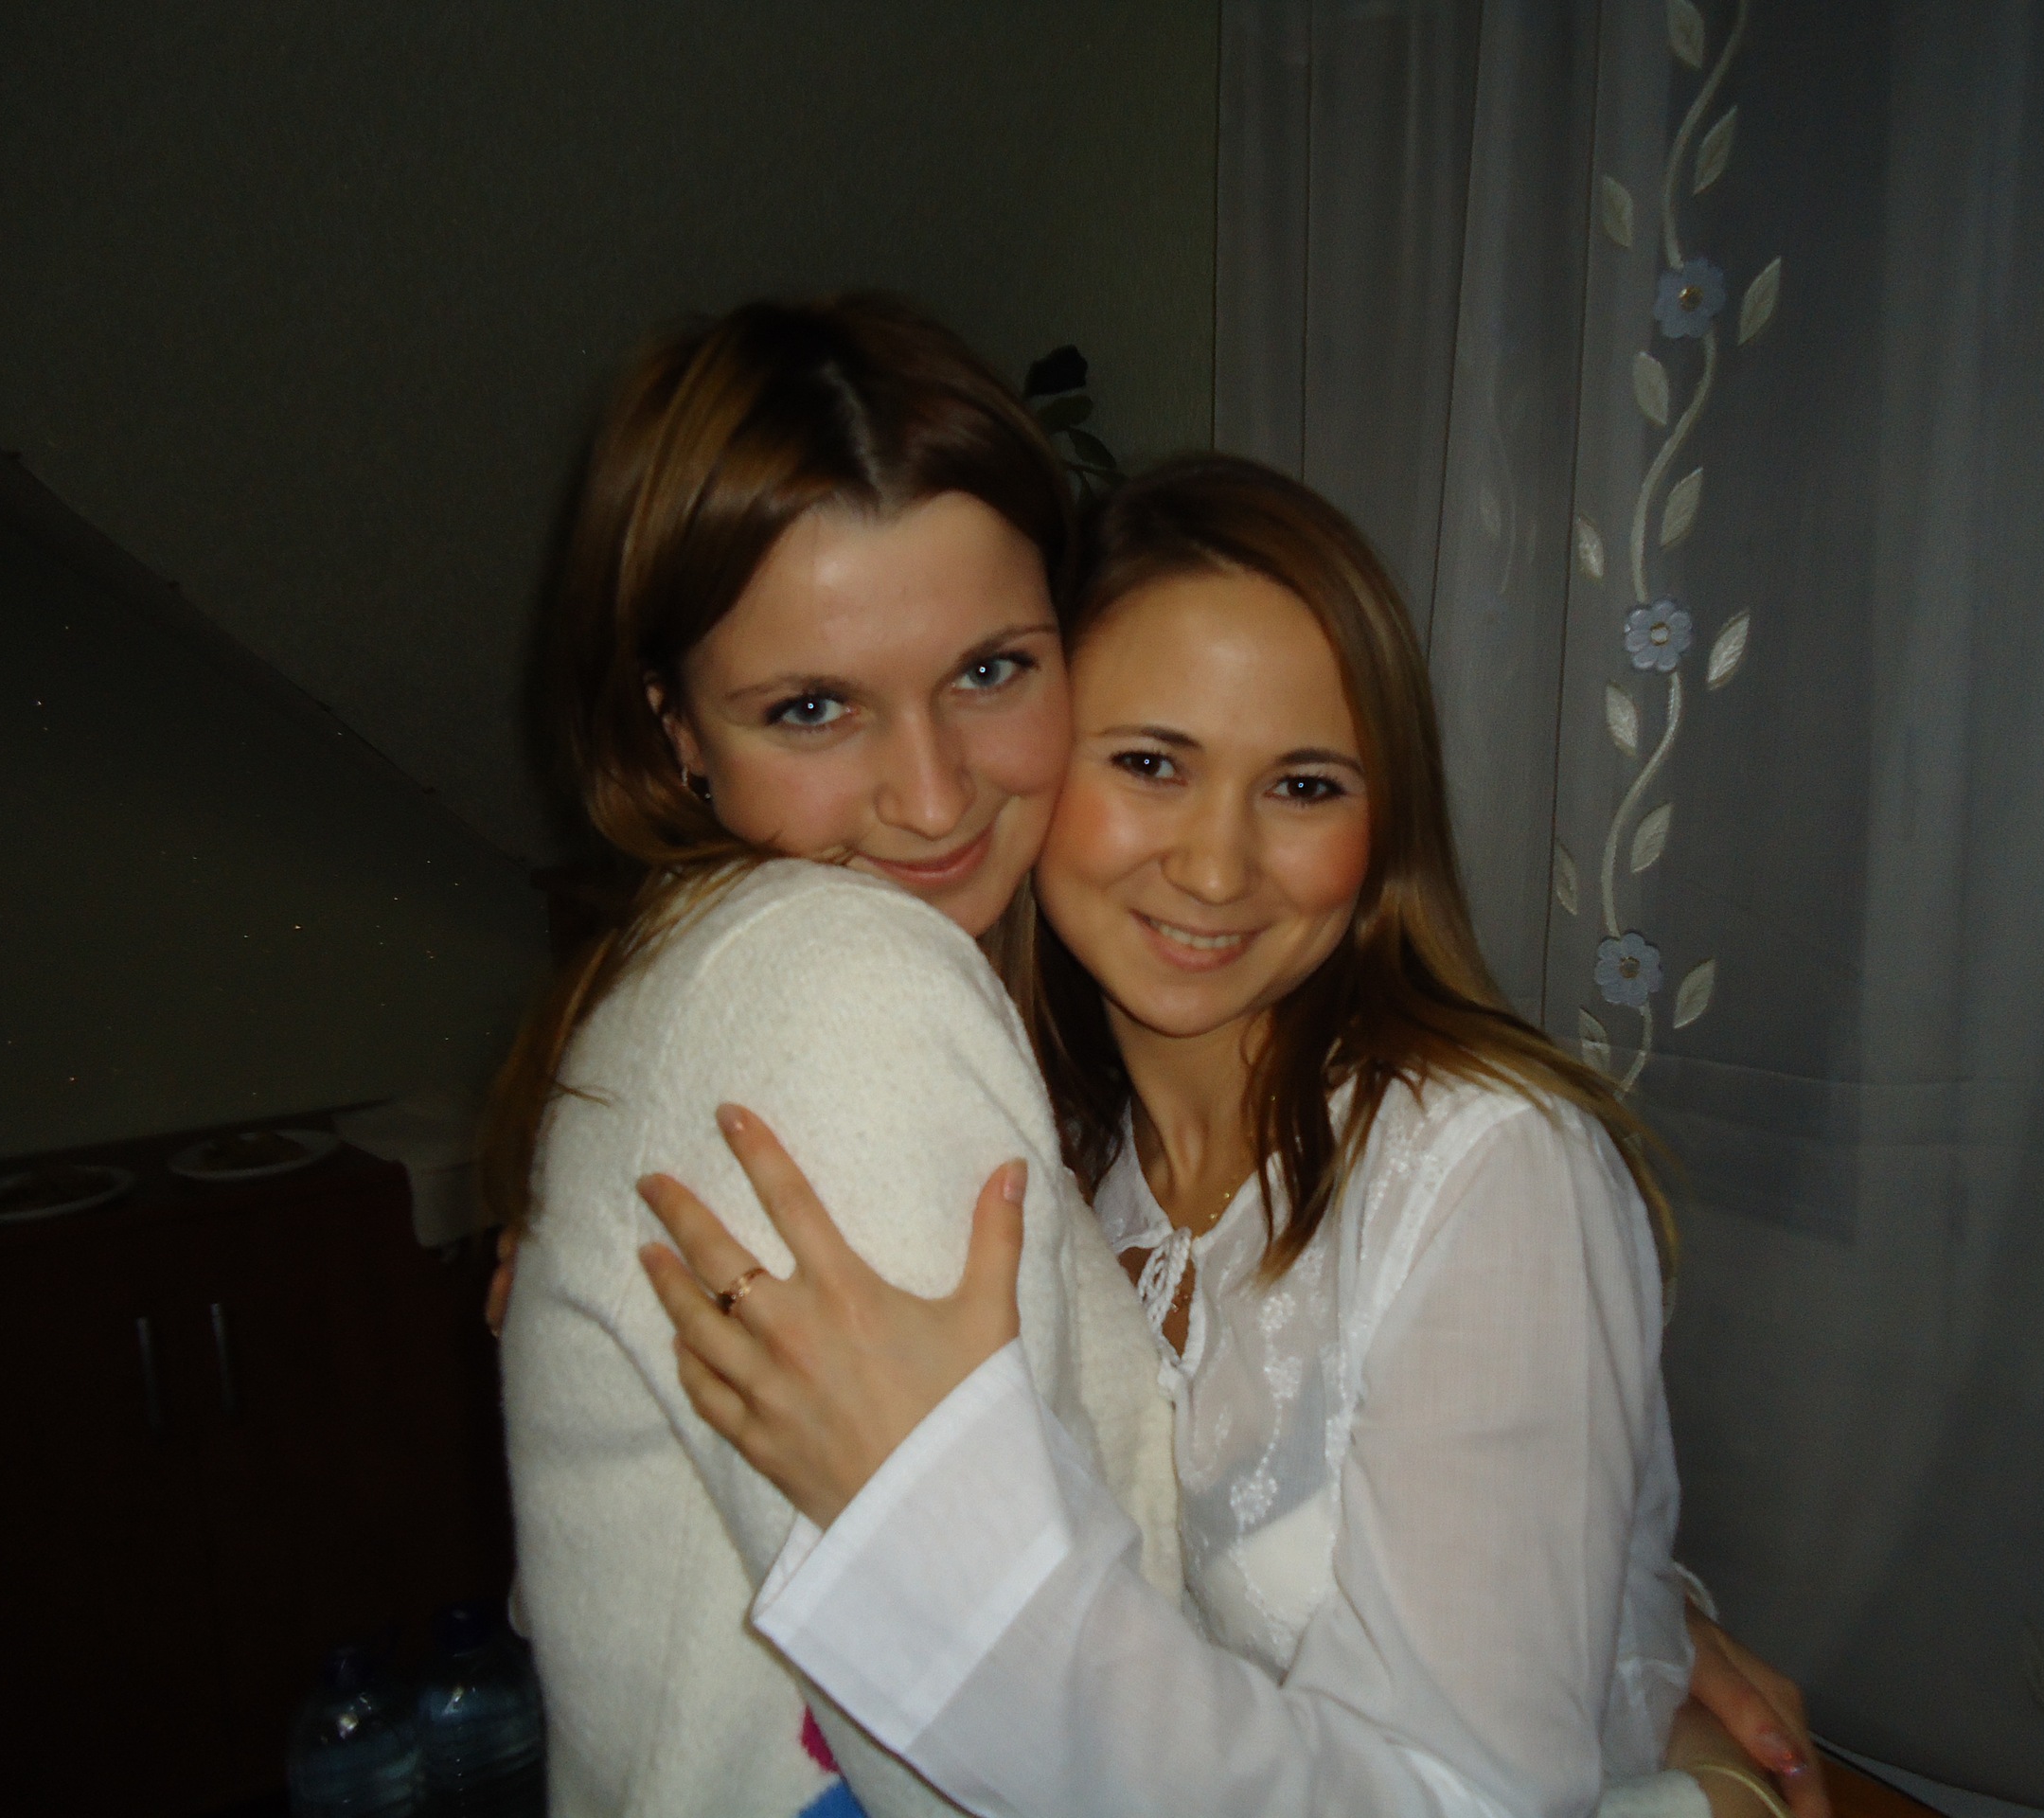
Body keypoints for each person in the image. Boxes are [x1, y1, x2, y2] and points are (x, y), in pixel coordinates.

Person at [491, 294, 1820, 1818]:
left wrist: (1625, 1650)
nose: (1213, 867)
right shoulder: (1049, 1144)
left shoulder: (1480, 1169)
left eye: (1305, 785)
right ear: (674, 730)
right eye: (1148, 762)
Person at [488, 294, 1179, 1818]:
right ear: (676, 731)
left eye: (991, 671)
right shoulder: (841, 981)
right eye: (813, 709)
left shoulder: (755, 970)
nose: (931, 797)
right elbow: (1002, 1753)